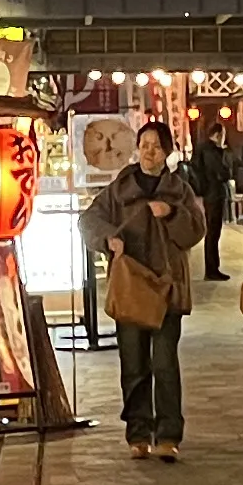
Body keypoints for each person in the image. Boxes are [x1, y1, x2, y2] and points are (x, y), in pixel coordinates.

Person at [86, 118, 205, 460]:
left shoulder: (179, 190)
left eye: (157, 146)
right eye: (145, 145)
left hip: (167, 288)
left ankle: (169, 434)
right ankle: (138, 432)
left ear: (167, 151)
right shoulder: (119, 189)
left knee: (166, 363)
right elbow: (89, 220)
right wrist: (108, 240)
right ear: (137, 149)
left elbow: (195, 231)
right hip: (131, 286)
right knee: (134, 364)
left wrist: (170, 213)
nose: (150, 151)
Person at [188, 119, 237, 281]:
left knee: (213, 232)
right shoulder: (211, 151)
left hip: (209, 193)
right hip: (214, 193)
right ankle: (212, 269)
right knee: (213, 232)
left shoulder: (203, 149)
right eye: (223, 135)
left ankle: (212, 268)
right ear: (217, 135)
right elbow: (222, 172)